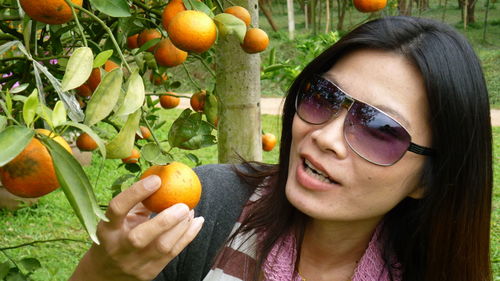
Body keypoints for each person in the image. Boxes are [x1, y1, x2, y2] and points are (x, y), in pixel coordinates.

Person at [69, 16, 493, 281]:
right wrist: (104, 273)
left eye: (380, 130)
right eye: (324, 97)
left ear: (428, 180)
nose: (324, 136)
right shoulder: (203, 211)